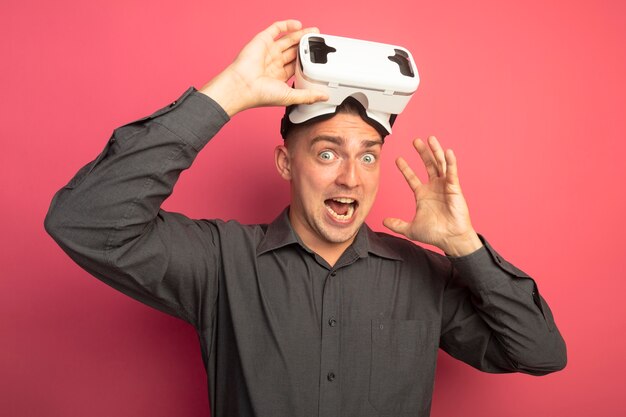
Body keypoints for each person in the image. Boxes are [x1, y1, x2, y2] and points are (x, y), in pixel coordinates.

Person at [45, 20, 566, 417]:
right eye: (326, 153)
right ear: (285, 163)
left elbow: (540, 353)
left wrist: (464, 247)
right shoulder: (221, 263)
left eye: (367, 156)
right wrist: (225, 94)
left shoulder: (424, 274)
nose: (350, 178)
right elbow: (84, 220)